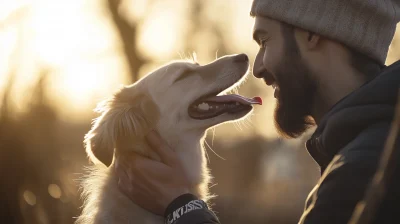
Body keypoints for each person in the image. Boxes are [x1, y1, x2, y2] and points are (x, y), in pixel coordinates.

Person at [114, 0, 400, 223]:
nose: (258, 66)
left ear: (312, 33)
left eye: (265, 41)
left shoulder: (362, 172)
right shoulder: (370, 150)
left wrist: (181, 206)